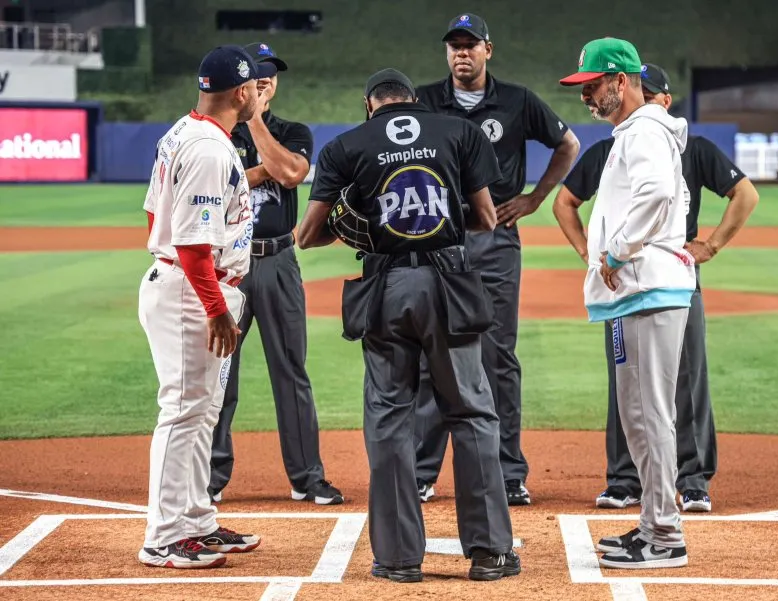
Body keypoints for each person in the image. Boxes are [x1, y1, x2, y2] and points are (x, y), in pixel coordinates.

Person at [296, 68, 521, 583]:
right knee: (471, 413)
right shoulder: (457, 131)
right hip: (449, 285)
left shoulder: (346, 146)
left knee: (390, 420)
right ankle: (490, 554)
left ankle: (398, 559)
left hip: (387, 289)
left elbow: (307, 235)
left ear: (368, 103)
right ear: (414, 101)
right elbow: (487, 218)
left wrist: (365, 220)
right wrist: (437, 214)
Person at [554, 63, 760, 513]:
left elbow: (744, 194)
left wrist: (712, 245)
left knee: (684, 377)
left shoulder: (678, 145)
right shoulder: (615, 147)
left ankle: (692, 480)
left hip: (667, 274)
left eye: (653, 95)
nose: (646, 102)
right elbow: (564, 202)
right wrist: (596, 256)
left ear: (664, 101)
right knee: (627, 383)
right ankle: (626, 479)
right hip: (627, 277)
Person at [413, 13, 581, 506]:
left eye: (470, 45)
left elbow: (567, 144)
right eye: (454, 46)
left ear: (489, 49)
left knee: (497, 357)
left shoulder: (517, 100)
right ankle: (424, 471)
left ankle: (509, 472)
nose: (461, 54)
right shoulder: (423, 101)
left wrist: (534, 198)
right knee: (432, 354)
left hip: (495, 240)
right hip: (437, 238)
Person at [557, 38, 696, 569]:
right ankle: (652, 523)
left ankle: (665, 535)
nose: (587, 96)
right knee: (637, 416)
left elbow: (657, 193)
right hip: (633, 294)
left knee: (650, 414)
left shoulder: (645, 131)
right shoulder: (634, 132)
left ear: (621, 80)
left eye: (593, 85)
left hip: (647, 288)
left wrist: (615, 252)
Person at [137, 45, 276, 569]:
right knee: (182, 410)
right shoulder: (210, 150)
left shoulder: (182, 132)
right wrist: (217, 307)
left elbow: (153, 218)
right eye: (253, 88)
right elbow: (192, 245)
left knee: (202, 412)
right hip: (193, 292)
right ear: (241, 92)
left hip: (192, 286)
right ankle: (165, 536)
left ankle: (196, 521)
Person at [207, 41, 343, 507]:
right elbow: (219, 182)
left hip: (280, 260)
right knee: (221, 373)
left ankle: (307, 478)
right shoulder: (215, 134)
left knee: (292, 372)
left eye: (272, 73)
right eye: (258, 72)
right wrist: (263, 168)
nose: (266, 78)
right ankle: (210, 477)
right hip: (231, 264)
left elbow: (290, 173)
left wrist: (257, 124)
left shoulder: (293, 129)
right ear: (242, 81)